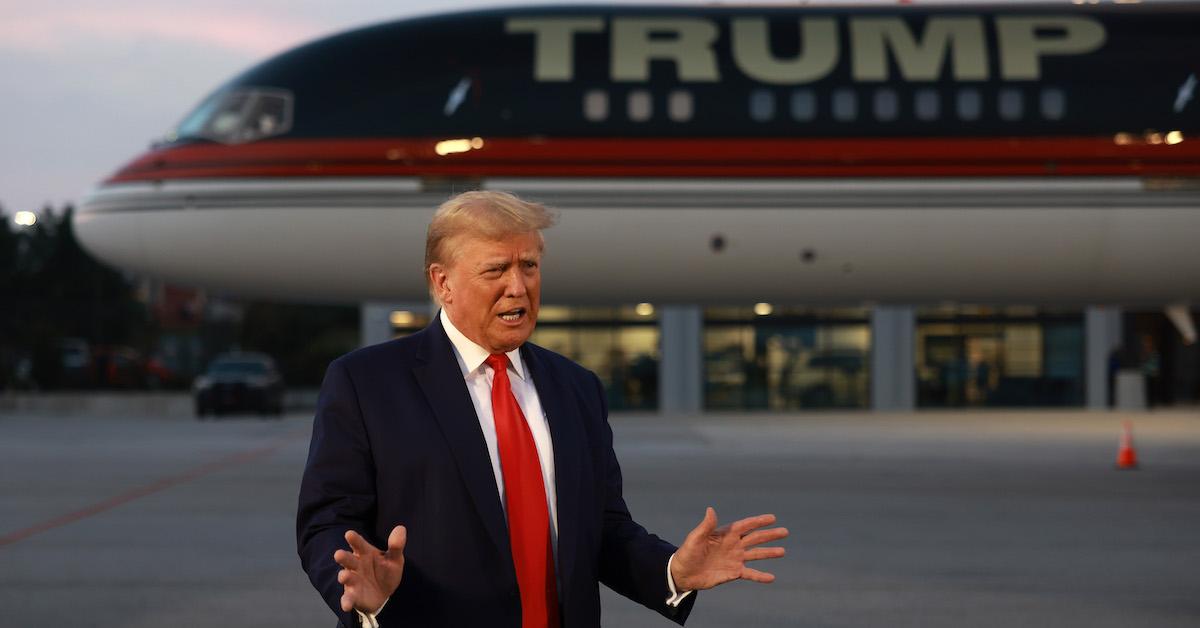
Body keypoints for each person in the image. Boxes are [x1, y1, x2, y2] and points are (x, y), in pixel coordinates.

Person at [297, 191, 788, 628]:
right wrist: (360, 592)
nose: (519, 287)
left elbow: (604, 529)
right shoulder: (366, 382)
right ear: (442, 282)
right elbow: (327, 520)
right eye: (496, 270)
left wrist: (671, 571)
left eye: (529, 266)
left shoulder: (576, 388)